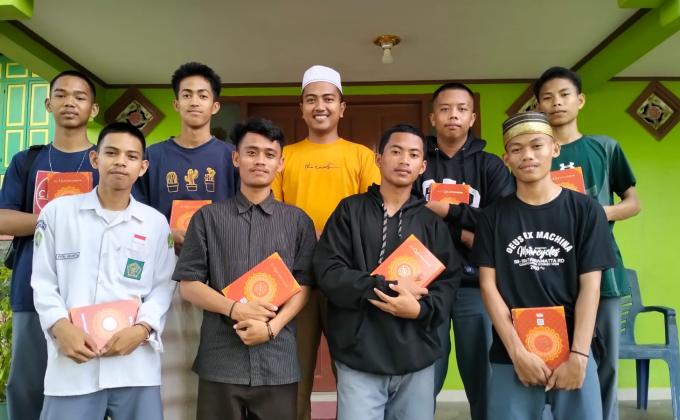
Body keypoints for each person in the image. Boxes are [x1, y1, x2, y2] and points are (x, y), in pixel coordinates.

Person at [473, 111, 615, 419]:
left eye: (537, 145)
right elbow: (488, 286)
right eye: (516, 149)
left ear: (555, 148)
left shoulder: (586, 211)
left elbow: (591, 287)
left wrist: (579, 355)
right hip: (512, 354)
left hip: (574, 352)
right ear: (506, 158)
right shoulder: (492, 217)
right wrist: (517, 353)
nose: (528, 155)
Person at [173, 117, 316, 420]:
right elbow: (189, 285)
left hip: (278, 359)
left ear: (280, 163)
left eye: (269, 154)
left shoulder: (298, 221)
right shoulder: (208, 218)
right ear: (236, 158)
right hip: (221, 359)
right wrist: (235, 309)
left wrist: (271, 328)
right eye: (251, 152)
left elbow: (304, 285)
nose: (260, 161)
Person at [314, 124, 460, 420]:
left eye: (413, 155)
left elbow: (448, 282)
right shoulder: (350, 211)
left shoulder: (431, 223)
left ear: (422, 166)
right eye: (396, 151)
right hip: (359, 355)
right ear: (378, 159)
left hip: (416, 355)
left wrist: (420, 309)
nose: (404, 160)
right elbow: (328, 271)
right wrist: (383, 286)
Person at [31, 122, 176, 420]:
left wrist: (142, 329)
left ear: (143, 167)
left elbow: (164, 286)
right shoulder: (57, 213)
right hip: (73, 364)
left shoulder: (155, 223)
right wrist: (60, 326)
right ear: (95, 159)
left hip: (135, 365)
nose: (121, 161)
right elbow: (43, 281)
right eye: (111, 153)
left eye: (131, 156)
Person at [271, 64, 380, 420]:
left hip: (346, 276)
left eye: (329, 99)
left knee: (351, 370)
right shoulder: (284, 157)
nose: (320, 106)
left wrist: (331, 240)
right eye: (312, 99)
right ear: (301, 108)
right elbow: (272, 213)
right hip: (295, 276)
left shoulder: (361, 156)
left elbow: (372, 214)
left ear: (342, 108)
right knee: (294, 370)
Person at [534, 67, 641, 420]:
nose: (556, 103)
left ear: (580, 100)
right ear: (538, 105)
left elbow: (633, 203)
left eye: (564, 95)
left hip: (603, 271)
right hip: (548, 273)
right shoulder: (535, 153)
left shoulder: (604, 148)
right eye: (547, 97)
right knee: (550, 352)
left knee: (606, 360)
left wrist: (595, 212)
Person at [134, 62, 239, 419]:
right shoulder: (153, 156)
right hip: (163, 269)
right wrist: (168, 233)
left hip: (218, 271)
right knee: (165, 354)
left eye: (203, 95)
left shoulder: (231, 158)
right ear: (176, 103)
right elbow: (134, 213)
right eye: (187, 94)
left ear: (215, 105)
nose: (195, 101)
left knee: (212, 350)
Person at [0, 70, 100, 420]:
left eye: (80, 96)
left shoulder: (105, 162)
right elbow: (4, 219)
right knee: (27, 386)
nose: (70, 102)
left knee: (87, 386)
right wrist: (59, 219)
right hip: (32, 289)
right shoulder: (27, 160)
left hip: (93, 294)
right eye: (61, 95)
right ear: (48, 104)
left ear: (93, 109)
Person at [418, 82, 514, 419]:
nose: (453, 115)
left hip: (476, 285)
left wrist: (447, 212)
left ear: (472, 117)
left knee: (483, 375)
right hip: (425, 286)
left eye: (461, 109)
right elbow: (409, 215)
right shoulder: (417, 161)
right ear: (433, 117)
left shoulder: (490, 166)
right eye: (445, 109)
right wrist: (468, 233)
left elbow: (501, 220)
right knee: (423, 374)